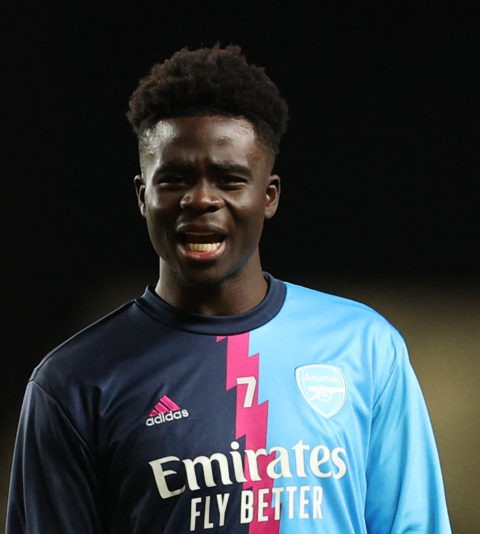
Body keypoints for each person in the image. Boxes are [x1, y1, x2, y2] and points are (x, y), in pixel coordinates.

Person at [5, 43, 451, 533]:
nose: (200, 199)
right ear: (143, 196)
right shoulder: (73, 384)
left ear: (269, 196)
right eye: (174, 179)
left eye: (229, 179)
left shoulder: (365, 346)